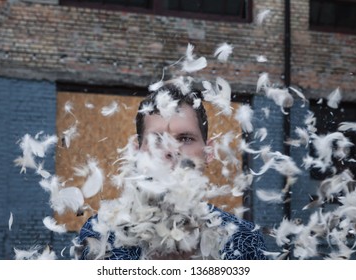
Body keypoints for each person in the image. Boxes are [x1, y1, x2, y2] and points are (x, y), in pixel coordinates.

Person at [73, 83, 267, 260]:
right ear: (135, 151)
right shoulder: (99, 234)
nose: (171, 150)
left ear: (208, 152)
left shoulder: (244, 239)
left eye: (185, 138)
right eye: (157, 138)